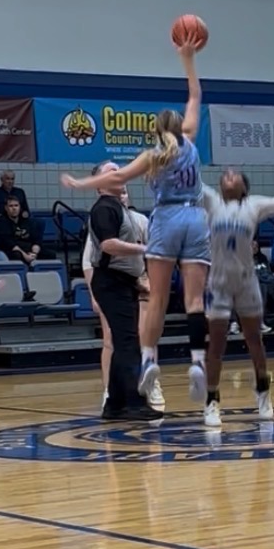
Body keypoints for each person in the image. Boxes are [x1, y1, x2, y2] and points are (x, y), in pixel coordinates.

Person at [62, 37, 209, 405]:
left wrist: (82, 182)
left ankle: (148, 360)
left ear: (157, 132)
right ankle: (197, 361)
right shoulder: (190, 141)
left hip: (167, 218)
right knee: (194, 300)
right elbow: (195, 96)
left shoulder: (152, 155)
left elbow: (114, 180)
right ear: (179, 127)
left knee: (157, 297)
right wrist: (188, 60)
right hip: (196, 217)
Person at [200, 154, 274, 427]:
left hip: (246, 282)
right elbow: (185, 179)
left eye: (235, 173)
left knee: (254, 341)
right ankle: (211, 401)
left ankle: (263, 390)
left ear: (244, 186)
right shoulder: (209, 201)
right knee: (216, 346)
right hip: (217, 283)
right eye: (225, 173)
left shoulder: (254, 206)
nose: (229, 174)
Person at [85, 161, 163, 421]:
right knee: (129, 342)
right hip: (110, 282)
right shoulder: (104, 208)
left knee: (123, 343)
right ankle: (134, 402)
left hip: (123, 281)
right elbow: (108, 245)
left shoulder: (120, 208)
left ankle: (115, 404)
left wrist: (136, 279)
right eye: (110, 171)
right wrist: (144, 250)